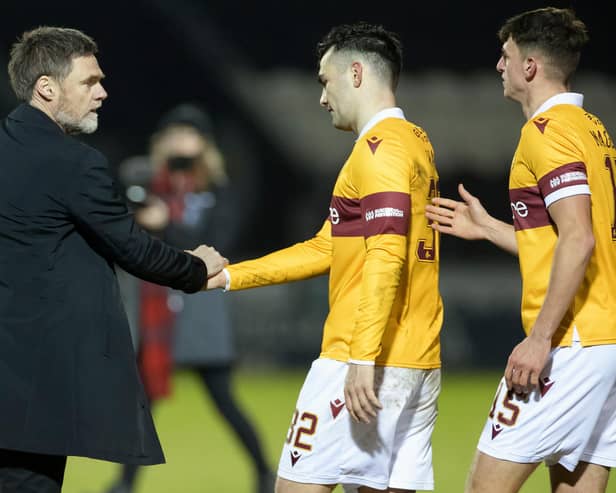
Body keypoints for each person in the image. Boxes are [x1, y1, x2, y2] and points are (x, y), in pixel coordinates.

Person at [207, 22, 443, 493]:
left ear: (356, 73)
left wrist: (362, 357)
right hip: (418, 359)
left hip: (363, 357)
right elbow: (326, 247)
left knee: (296, 487)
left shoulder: (379, 151)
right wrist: (229, 276)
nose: (321, 97)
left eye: (324, 80)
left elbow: (386, 253)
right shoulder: (416, 141)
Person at [0, 27, 227, 493]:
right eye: (89, 82)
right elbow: (131, 246)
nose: (102, 93)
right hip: (32, 389)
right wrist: (196, 267)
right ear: (47, 87)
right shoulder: (72, 162)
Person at [425, 7, 616, 493]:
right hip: (606, 342)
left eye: (505, 55)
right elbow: (565, 241)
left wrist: (541, 339)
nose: (498, 65)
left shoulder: (546, 133)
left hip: (572, 343)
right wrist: (490, 228)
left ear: (529, 66)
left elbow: (579, 238)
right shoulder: (593, 131)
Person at [104, 103, 274, 493]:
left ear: (204, 143)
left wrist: (168, 225)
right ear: (161, 143)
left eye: (189, 133)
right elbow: (130, 242)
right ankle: (125, 483)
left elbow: (217, 247)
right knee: (144, 405)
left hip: (201, 307)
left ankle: (265, 472)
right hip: (159, 308)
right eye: (174, 134)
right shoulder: (149, 184)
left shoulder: (217, 189)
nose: (181, 141)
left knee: (224, 401)